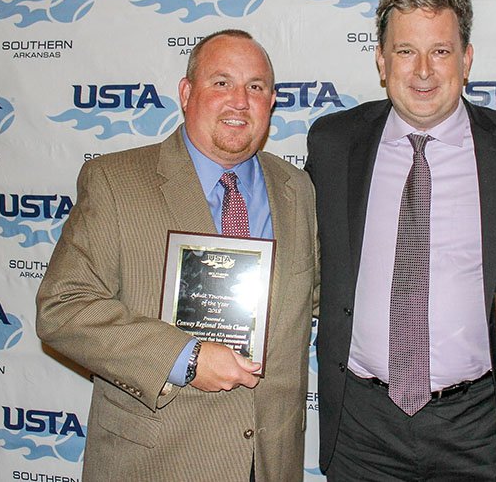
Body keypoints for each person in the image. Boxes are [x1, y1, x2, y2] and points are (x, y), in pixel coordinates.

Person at [36, 29, 318, 481]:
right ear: (187, 93)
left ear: (272, 102)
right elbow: (63, 309)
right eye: (221, 82)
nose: (239, 101)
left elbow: (315, 295)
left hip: (269, 461)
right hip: (158, 461)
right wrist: (182, 358)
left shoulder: (295, 189)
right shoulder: (116, 181)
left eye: (256, 87)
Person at [306, 0, 496, 480]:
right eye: (406, 51)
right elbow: (286, 240)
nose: (424, 71)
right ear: (382, 61)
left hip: (477, 424)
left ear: (467, 60)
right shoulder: (333, 144)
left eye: (441, 51)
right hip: (362, 426)